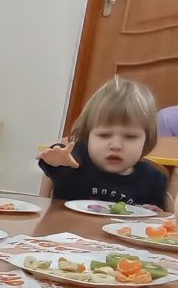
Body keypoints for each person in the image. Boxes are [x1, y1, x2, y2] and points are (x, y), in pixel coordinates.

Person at [38, 77, 169, 210]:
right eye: (104, 135)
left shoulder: (154, 180)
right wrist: (56, 159)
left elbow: (159, 216)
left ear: (146, 140)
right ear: (87, 135)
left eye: (130, 137)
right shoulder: (74, 161)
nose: (116, 145)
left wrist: (156, 214)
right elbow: (53, 161)